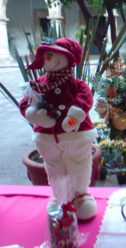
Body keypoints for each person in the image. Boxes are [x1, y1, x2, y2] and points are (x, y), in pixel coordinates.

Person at [19, 38, 98, 221]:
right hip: (48, 137)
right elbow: (24, 103)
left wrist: (75, 115)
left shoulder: (77, 84)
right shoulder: (37, 84)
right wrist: (34, 115)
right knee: (54, 166)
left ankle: (80, 196)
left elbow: (85, 98)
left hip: (76, 134)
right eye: (46, 54)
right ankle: (61, 197)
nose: (48, 58)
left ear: (69, 59)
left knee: (78, 163)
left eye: (52, 54)